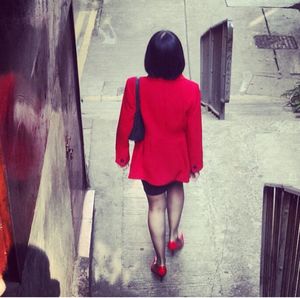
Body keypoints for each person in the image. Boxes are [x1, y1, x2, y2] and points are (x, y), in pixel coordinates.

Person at [115, 30, 203, 280]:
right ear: (179, 59)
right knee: (176, 189)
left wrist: (123, 154)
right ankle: (174, 237)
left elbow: (124, 123)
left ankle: (161, 262)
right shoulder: (191, 90)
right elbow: (194, 130)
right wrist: (195, 162)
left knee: (155, 206)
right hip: (178, 156)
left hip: (150, 158)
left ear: (149, 58)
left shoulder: (135, 86)